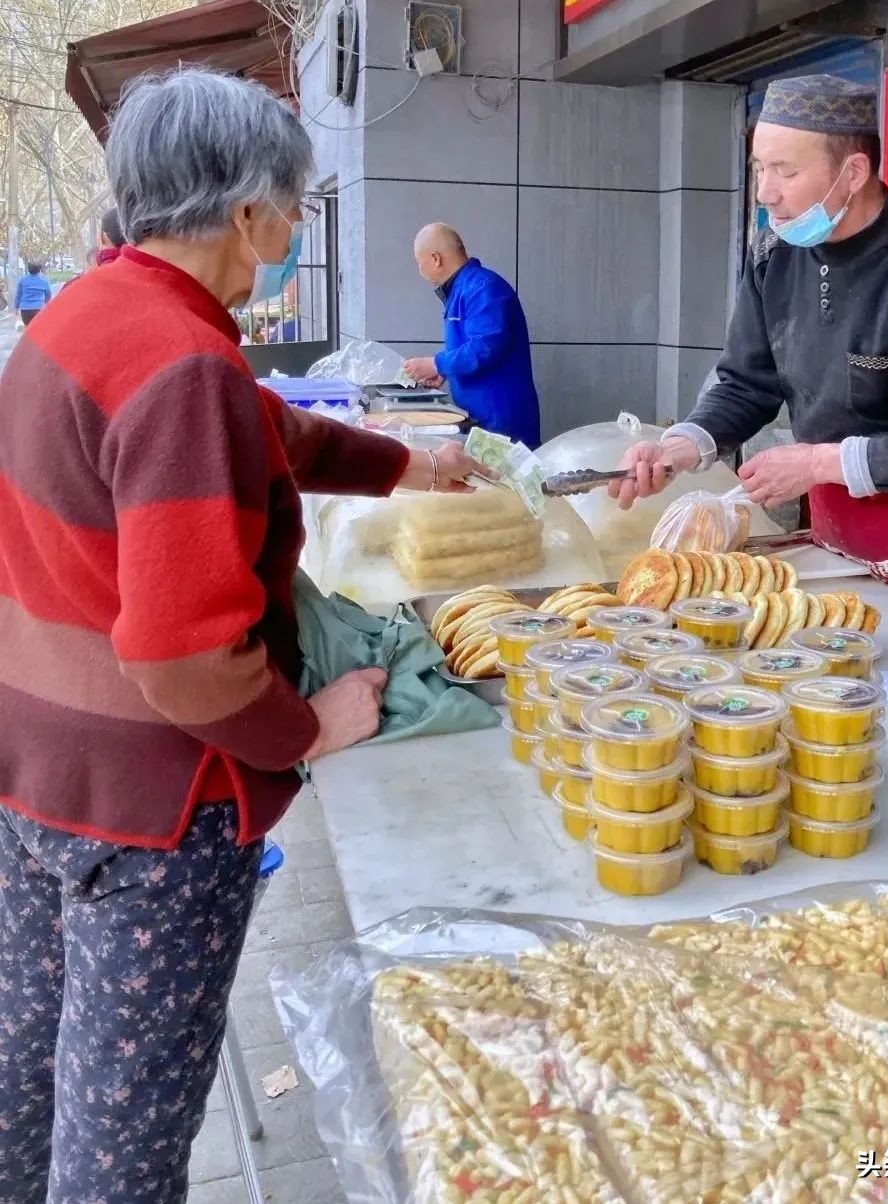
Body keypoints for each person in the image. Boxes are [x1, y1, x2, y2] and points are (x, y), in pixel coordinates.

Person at [0, 66, 488, 1204]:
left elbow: (271, 429)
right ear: (247, 212)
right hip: (152, 816)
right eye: (296, 205)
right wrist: (304, 727)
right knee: (121, 1138)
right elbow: (180, 654)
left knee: (32, 1076)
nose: (293, 225)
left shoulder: (84, 314)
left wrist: (404, 463)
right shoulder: (185, 366)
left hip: (35, 775)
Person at [611, 74, 888, 636]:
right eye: (758, 168)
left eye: (786, 171)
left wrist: (819, 463)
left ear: (853, 172)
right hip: (838, 526)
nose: (764, 192)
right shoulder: (775, 251)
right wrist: (685, 444)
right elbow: (747, 378)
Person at [403, 223, 542, 448]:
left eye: (420, 264)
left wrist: (437, 364)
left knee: (505, 481)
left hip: (501, 419)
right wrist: (445, 372)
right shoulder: (464, 288)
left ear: (435, 258)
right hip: (482, 416)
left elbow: (485, 347)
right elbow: (471, 346)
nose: (421, 271)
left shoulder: (483, 287)